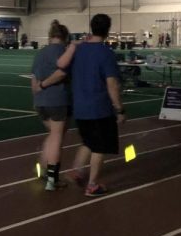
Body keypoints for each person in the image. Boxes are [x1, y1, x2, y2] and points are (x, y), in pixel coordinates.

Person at [50, 13, 125, 196]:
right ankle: (92, 184)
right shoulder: (106, 53)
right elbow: (112, 84)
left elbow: (60, 66)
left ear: (92, 27)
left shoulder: (78, 49)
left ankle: (77, 172)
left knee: (88, 142)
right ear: (108, 30)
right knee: (100, 147)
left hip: (80, 107)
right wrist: (119, 108)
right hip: (99, 108)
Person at [30, 20, 72, 191]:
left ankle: (42, 168)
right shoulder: (63, 52)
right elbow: (61, 73)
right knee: (57, 138)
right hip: (57, 100)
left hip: (41, 102)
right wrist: (45, 85)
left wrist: (37, 93)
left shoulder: (40, 53)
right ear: (65, 37)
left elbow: (33, 78)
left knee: (53, 134)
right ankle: (52, 179)